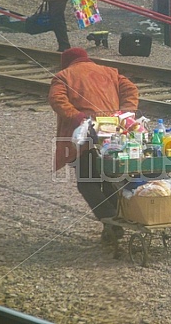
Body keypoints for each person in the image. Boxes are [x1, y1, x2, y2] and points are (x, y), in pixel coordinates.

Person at [48, 47, 139, 236]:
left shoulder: (63, 76)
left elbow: (56, 99)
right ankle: (114, 222)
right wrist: (124, 113)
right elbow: (131, 89)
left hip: (86, 135)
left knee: (86, 181)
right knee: (108, 178)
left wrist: (78, 117)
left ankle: (111, 218)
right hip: (113, 130)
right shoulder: (110, 71)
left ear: (67, 62)